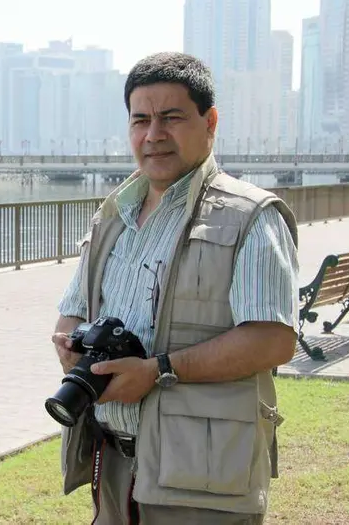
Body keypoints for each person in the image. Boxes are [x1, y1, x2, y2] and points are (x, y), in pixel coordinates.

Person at [52, 52, 299, 525]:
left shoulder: (250, 216)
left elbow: (273, 338)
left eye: (171, 118)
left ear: (210, 122)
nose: (153, 134)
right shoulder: (113, 217)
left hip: (203, 476)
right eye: (140, 119)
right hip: (115, 468)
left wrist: (158, 370)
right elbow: (72, 312)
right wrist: (71, 347)